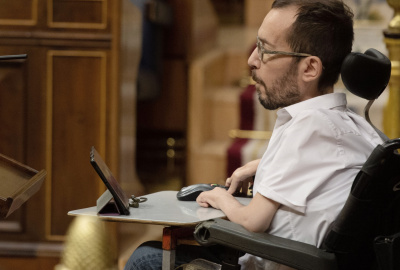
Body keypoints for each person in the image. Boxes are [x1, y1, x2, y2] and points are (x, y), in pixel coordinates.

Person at [125, 0, 385, 269]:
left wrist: (219, 196)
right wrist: (266, 165)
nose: (252, 60)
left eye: (266, 50)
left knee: (145, 258)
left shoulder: (308, 128)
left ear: (309, 68)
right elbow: (330, 168)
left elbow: (253, 221)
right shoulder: (361, 129)